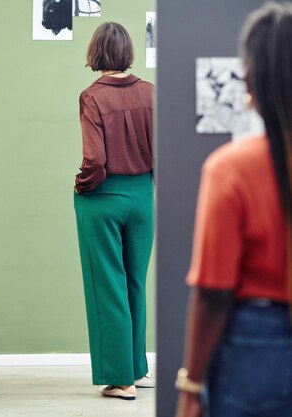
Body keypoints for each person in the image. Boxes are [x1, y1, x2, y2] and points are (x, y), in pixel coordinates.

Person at [175, 3, 292, 417]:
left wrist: (190, 387)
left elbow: (213, 292)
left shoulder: (231, 168)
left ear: (252, 79)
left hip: (259, 347)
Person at [73, 22, 155, 400]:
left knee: (108, 286)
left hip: (104, 197)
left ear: (96, 54)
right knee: (135, 283)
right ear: (128, 52)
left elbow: (94, 159)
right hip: (143, 197)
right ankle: (137, 368)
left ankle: (121, 379)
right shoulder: (152, 93)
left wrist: (83, 184)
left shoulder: (92, 97)